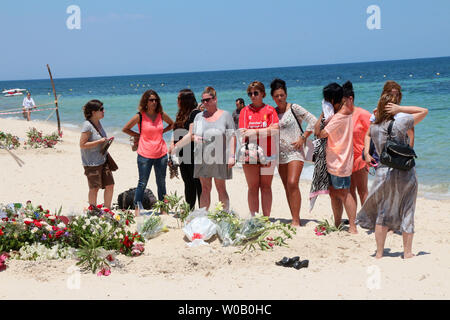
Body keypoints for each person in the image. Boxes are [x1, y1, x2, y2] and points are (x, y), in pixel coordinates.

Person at [356, 93, 428, 259]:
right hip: (404, 172)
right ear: (393, 107)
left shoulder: (374, 127)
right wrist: (401, 109)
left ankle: (379, 253)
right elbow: (424, 111)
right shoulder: (401, 122)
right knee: (408, 209)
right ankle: (407, 253)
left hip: (383, 172)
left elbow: (370, 136)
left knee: (383, 211)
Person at [174, 86, 235, 210]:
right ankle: (203, 218)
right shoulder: (199, 116)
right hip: (201, 157)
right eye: (203, 100)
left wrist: (232, 156)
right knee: (205, 189)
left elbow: (232, 137)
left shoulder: (225, 115)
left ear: (215, 99)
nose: (205, 103)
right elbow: (193, 135)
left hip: (220, 156)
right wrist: (176, 146)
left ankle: (224, 216)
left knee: (221, 188)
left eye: (208, 100)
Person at [271, 78, 317, 226]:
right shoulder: (272, 112)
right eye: (277, 96)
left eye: (282, 95)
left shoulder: (294, 108)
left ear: (286, 94)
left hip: (295, 152)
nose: (280, 98)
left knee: (292, 183)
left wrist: (303, 138)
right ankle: (294, 217)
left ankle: (296, 220)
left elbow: (313, 121)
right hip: (280, 155)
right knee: (287, 186)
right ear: (273, 97)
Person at [122, 90, 174, 216]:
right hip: (145, 154)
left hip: (161, 153)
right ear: (145, 101)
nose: (154, 102)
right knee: (142, 183)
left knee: (161, 182)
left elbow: (172, 124)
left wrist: (162, 132)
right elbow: (125, 129)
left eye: (156, 100)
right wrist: (139, 135)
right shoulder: (140, 116)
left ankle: (163, 209)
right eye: (151, 100)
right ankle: (137, 209)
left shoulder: (161, 114)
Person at [315, 83, 357, 234]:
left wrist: (322, 115)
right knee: (334, 194)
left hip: (340, 161)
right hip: (334, 159)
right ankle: (338, 223)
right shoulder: (344, 112)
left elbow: (320, 133)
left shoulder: (339, 116)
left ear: (332, 100)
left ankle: (352, 226)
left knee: (345, 193)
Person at [239, 81, 279, 217]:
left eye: (256, 93)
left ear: (263, 94)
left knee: (266, 187)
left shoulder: (270, 110)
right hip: (249, 153)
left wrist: (254, 132)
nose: (253, 96)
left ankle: (266, 218)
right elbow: (243, 132)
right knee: (253, 187)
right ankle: (254, 219)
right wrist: (264, 130)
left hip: (268, 154)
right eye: (250, 93)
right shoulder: (244, 111)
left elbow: (275, 130)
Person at [168, 89, 202, 210]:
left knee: (198, 184)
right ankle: (190, 210)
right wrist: (172, 144)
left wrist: (176, 147)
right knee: (188, 183)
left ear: (185, 100)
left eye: (179, 99)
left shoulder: (195, 113)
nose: (177, 101)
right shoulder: (181, 113)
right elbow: (176, 131)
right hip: (183, 154)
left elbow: (192, 135)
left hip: (194, 153)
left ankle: (202, 212)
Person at [79, 100, 114, 209]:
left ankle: (107, 210)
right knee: (94, 188)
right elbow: (82, 144)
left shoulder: (98, 123)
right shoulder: (87, 125)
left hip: (103, 160)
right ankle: (92, 210)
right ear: (94, 112)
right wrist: (99, 142)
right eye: (101, 109)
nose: (104, 111)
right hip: (92, 163)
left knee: (110, 185)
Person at [342, 81, 371, 207]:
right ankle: (354, 218)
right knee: (349, 190)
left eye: (343, 101)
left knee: (362, 190)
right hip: (346, 158)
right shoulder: (341, 116)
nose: (341, 105)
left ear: (351, 99)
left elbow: (373, 133)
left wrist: (368, 153)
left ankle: (367, 218)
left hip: (360, 157)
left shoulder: (362, 114)